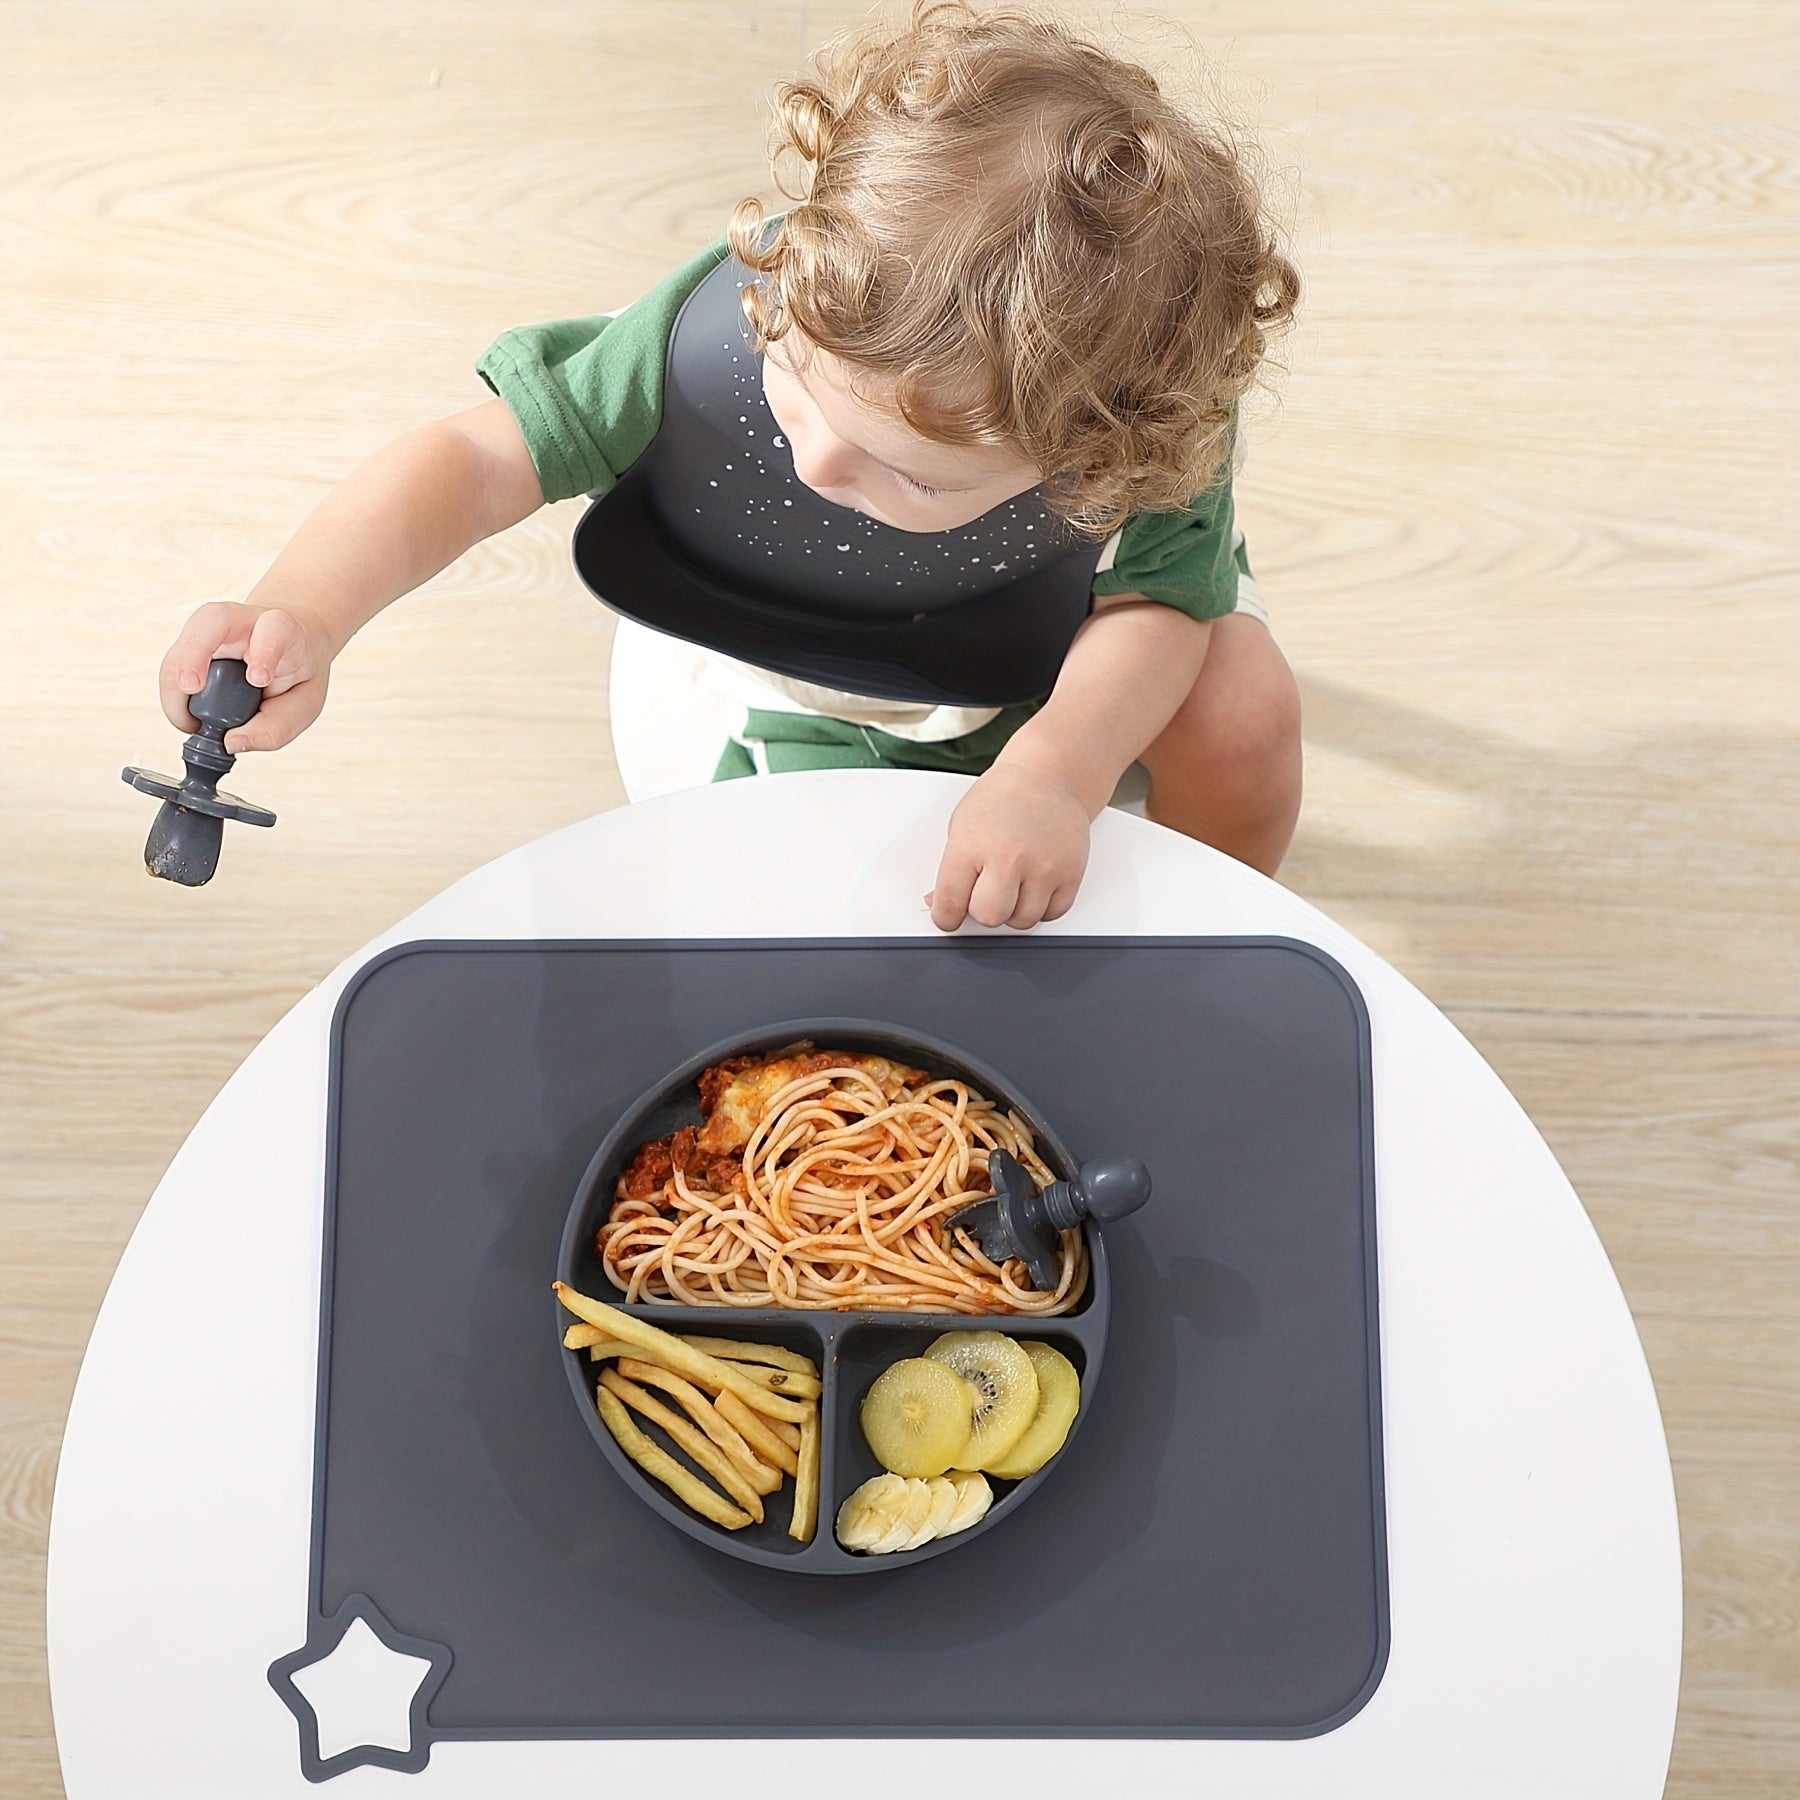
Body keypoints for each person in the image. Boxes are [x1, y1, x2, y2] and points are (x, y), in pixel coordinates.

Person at [157, 1, 1302, 931]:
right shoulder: (719, 330)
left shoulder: (1132, 428)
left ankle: (1200, 935)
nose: (817, 465)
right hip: (794, 659)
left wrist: (1059, 769)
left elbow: (1156, 602)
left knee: (1242, 713)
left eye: (913, 477)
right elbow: (475, 457)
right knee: (805, 911)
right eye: (794, 381)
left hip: (1063, 654)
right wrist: (305, 607)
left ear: (1101, 461)